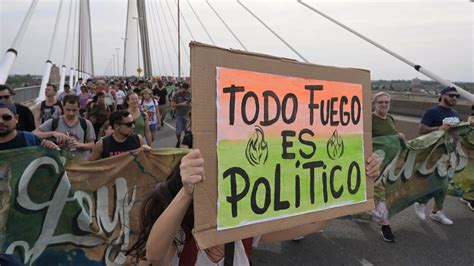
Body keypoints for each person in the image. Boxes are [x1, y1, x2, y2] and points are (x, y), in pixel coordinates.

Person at [127, 150, 381, 265]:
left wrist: (354, 182)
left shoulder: (240, 233)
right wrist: (186, 191)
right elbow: (155, 254)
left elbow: (313, 224)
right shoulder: (181, 238)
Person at [414, 86, 461, 225]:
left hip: (450, 153)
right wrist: (438, 128)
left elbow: (456, 131)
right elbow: (421, 130)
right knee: (433, 181)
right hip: (433, 153)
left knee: (444, 184)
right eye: (451, 95)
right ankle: (421, 203)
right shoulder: (432, 112)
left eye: (456, 96)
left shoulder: (455, 113)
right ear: (442, 96)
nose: (454, 98)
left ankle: (436, 211)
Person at [370, 92, 406, 243]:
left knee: (382, 193)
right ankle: (385, 226)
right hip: (374, 166)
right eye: (380, 102)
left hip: (389, 166)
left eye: (387, 102)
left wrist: (399, 136)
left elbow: (390, 135)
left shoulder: (390, 118)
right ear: (375, 104)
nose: (384, 105)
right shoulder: (370, 119)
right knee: (378, 193)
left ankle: (377, 219)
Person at [34, 95, 95, 160]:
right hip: (60, 163)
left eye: (74, 110)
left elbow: (92, 145)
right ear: (63, 107)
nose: (71, 113)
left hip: (79, 164)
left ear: (79, 108)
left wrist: (79, 145)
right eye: (68, 110)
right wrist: (52, 133)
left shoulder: (86, 123)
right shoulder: (54, 122)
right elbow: (33, 134)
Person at [171, 83, 191, 147]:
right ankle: (178, 140)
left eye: (186, 90)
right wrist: (181, 104)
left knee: (187, 132)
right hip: (179, 116)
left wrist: (190, 104)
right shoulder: (176, 94)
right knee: (178, 132)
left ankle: (187, 145)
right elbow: (173, 105)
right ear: (181, 88)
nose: (185, 91)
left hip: (188, 116)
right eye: (184, 89)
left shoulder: (190, 94)